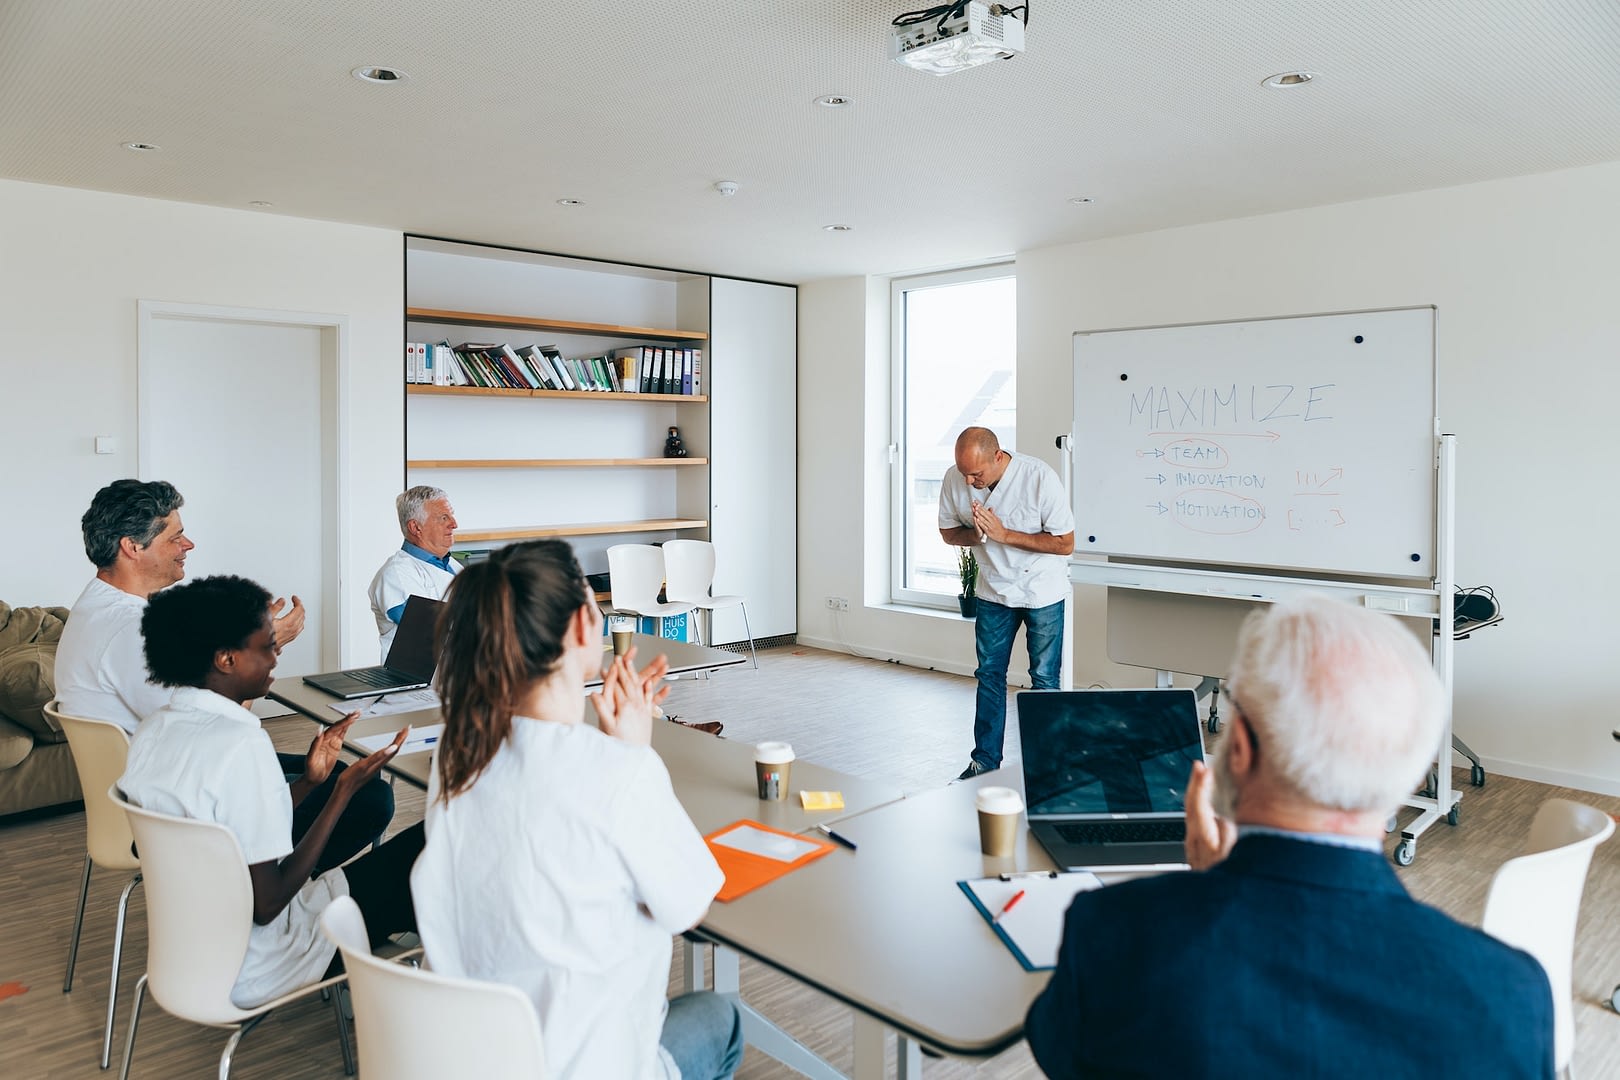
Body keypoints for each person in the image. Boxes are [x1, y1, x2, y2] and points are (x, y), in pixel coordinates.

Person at [1023, 595, 1555, 1078]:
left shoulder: (1115, 934)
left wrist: (1207, 899)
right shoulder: (1510, 994)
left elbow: (1062, 1052)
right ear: (1410, 778)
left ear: (1240, 750)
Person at [410, 540, 743, 1080]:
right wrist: (633, 756)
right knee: (718, 1016)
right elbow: (690, 906)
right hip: (586, 1065)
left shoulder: (458, 760)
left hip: (476, 1060)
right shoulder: (616, 773)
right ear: (584, 629)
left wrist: (622, 756)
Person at [118, 575, 425, 1009]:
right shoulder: (241, 744)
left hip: (193, 951)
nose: (275, 655)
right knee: (431, 843)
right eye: (266, 647)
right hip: (265, 961)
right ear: (226, 659)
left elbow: (218, 828)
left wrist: (308, 784)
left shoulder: (153, 732)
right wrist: (340, 792)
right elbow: (268, 903)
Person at [55, 478, 393, 867]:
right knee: (368, 794)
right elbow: (215, 726)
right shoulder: (128, 630)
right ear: (132, 547)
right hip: (175, 809)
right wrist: (265, 648)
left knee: (331, 772)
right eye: (175, 537)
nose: (189, 545)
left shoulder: (98, 607)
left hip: (152, 784)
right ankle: (265, 895)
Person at [938, 427, 1075, 779]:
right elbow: (949, 532)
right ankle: (984, 762)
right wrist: (978, 534)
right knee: (989, 676)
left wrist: (1003, 535)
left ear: (998, 457)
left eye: (977, 474)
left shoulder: (1039, 477)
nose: (969, 480)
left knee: (1044, 679)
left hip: (1041, 589)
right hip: (993, 591)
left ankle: (1048, 768)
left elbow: (1065, 543)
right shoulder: (956, 478)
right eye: (964, 472)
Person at [367, 485, 460, 660]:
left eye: (451, 515)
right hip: (420, 683)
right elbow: (428, 628)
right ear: (416, 528)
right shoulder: (396, 574)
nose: (454, 524)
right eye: (443, 518)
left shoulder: (453, 566)